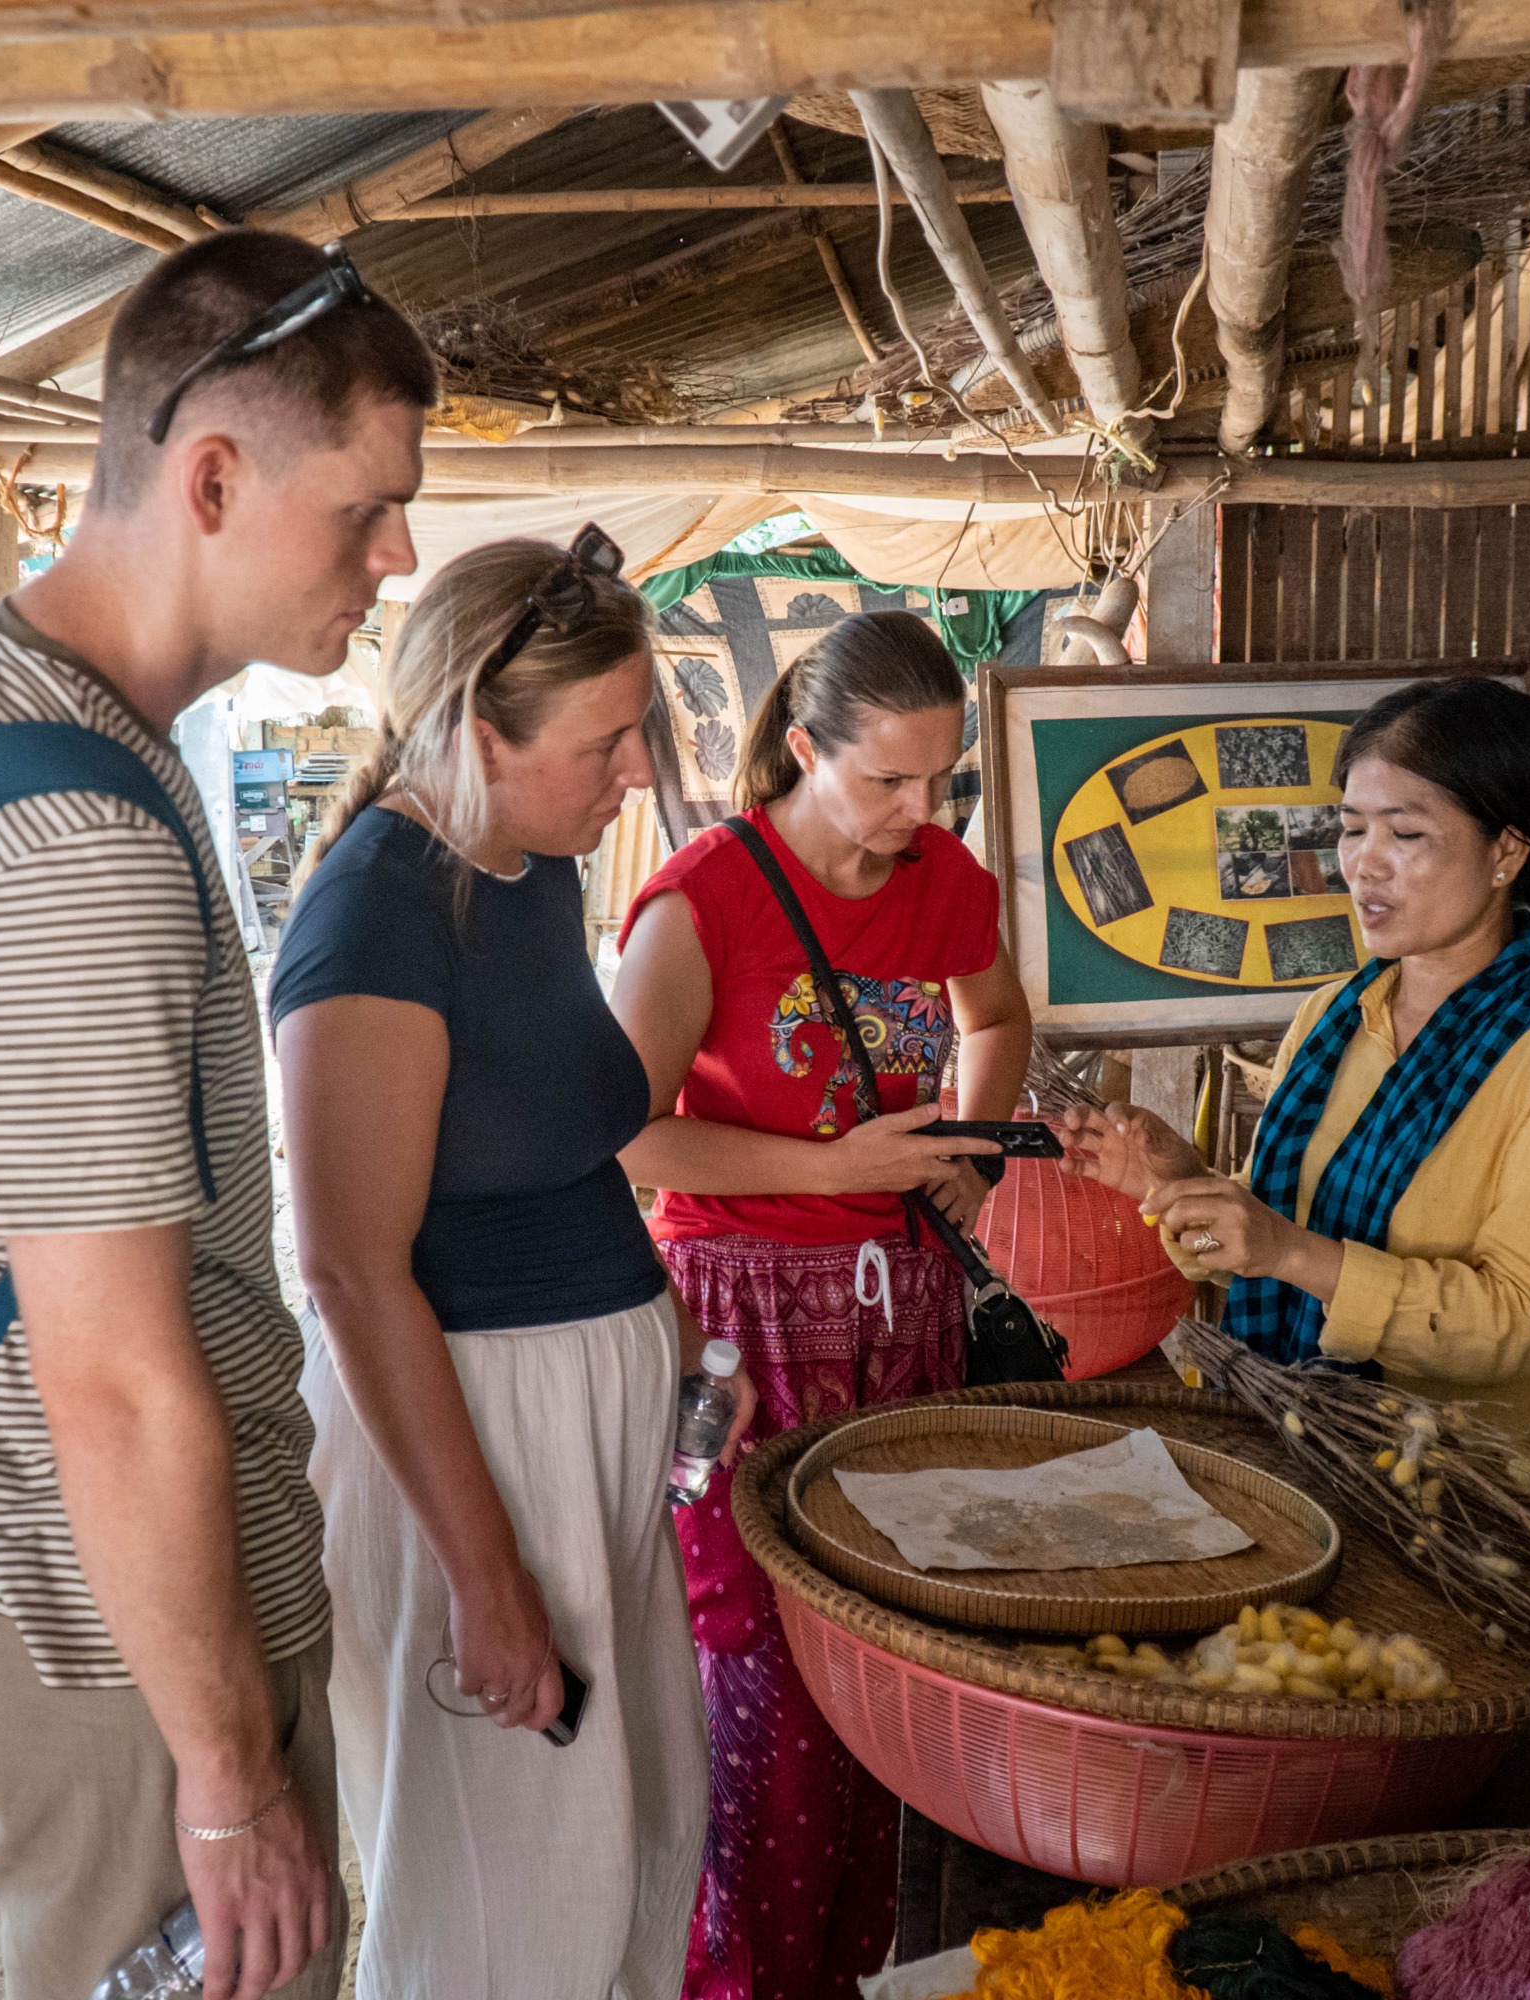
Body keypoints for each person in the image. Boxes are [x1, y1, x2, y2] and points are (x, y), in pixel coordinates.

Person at [0, 232, 427, 2000]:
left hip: (37, 1585)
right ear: (213, 479)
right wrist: (232, 1786)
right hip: (104, 1639)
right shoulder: (66, 846)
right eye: (368, 509)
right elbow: (111, 1377)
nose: (398, 558)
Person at [271, 531, 747, 2000]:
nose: (634, 778)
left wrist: (669, 1380)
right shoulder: (375, 923)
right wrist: (486, 1578)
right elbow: (353, 1276)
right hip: (474, 1443)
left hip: (586, 1443)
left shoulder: (526, 870)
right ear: (482, 730)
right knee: (502, 1892)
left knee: (621, 1839)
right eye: (609, 744)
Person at [609, 612, 1027, 2000]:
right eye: (889, 783)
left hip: (901, 1318)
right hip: (742, 1332)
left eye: (943, 782)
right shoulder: (699, 900)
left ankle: (850, 1977)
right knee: (763, 1712)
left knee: (892, 1687)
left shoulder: (945, 879)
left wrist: (969, 1144)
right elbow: (620, 1143)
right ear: (804, 748)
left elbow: (998, 1019)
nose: (921, 815)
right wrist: (829, 1167)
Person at [1064, 677, 1530, 1474]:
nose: (1363, 866)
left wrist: (1284, 1250)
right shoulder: (1338, 1014)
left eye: (1405, 835)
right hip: (1299, 1451)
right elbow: (1283, 1231)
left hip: (1478, 1496)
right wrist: (1183, 1185)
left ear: (1506, 851)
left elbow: (1523, 1319)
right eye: (1349, 830)